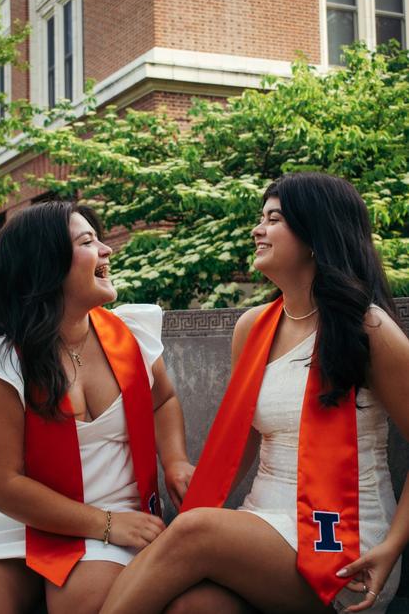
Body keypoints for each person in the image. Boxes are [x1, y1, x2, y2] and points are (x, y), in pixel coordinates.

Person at [99, 172, 409, 614]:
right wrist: (194, 479)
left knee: (194, 530)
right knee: (192, 607)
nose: (257, 230)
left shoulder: (368, 328)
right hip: (262, 523)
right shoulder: (254, 327)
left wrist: (393, 546)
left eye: (273, 219)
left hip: (346, 541)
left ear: (316, 235)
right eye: (261, 218)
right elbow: (243, 435)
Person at [0, 201, 196, 614]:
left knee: (86, 602)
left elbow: (164, 400)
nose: (106, 250)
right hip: (14, 518)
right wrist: (105, 524)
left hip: (115, 510)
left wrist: (175, 461)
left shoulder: (132, 336)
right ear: (45, 264)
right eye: (88, 242)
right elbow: (0, 486)